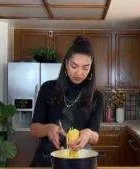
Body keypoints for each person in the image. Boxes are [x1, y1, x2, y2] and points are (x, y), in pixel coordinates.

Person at [30, 36, 104, 167]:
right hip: (47, 160)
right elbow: (34, 129)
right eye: (74, 66)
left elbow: (95, 137)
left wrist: (88, 133)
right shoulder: (47, 88)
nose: (79, 73)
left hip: (80, 162)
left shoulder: (97, 96)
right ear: (66, 63)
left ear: (91, 68)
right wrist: (48, 128)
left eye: (85, 68)